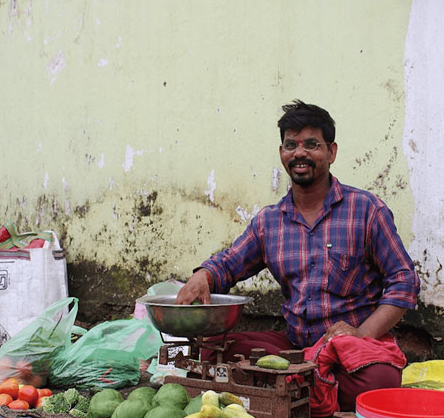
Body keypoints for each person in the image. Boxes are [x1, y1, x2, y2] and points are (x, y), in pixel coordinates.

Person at [176, 100, 420, 414]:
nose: (300, 153)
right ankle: (300, 383)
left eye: (311, 145)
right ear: (282, 153)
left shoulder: (366, 210)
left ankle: (282, 388)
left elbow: (404, 281)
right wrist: (203, 276)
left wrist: (362, 334)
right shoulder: (270, 222)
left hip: (352, 348)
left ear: (331, 152)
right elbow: (228, 263)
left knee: (380, 380)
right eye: (291, 145)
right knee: (212, 353)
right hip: (293, 348)